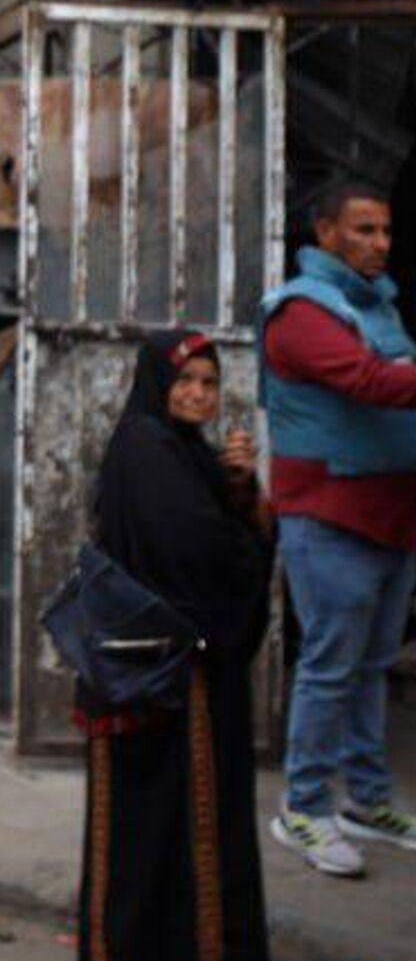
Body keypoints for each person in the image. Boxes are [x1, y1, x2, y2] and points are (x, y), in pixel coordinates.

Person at [76, 329, 273, 960]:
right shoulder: (146, 447)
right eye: (185, 380)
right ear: (159, 384)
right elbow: (199, 553)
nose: (198, 394)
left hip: (184, 675)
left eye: (210, 383)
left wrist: (239, 487)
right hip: (156, 680)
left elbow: (225, 542)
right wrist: (244, 536)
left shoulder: (188, 454)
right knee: (149, 828)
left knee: (186, 824)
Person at [260, 178, 416, 877]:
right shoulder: (301, 311)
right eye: (364, 230)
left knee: (371, 665)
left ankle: (367, 799)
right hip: (330, 515)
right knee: (329, 668)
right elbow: (367, 380)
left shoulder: (378, 304)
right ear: (325, 233)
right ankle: (303, 807)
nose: (380, 244)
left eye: (385, 230)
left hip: (390, 516)